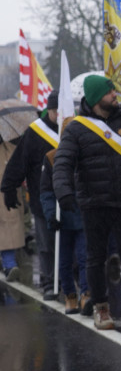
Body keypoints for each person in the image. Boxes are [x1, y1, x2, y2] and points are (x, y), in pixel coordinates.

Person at [52, 75, 121, 332]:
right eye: (109, 92)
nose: (114, 95)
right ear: (96, 98)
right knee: (95, 258)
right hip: (93, 204)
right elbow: (62, 162)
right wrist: (63, 192)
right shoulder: (76, 128)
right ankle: (101, 309)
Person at [2, 90, 60, 298]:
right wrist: (9, 187)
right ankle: (48, 281)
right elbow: (20, 162)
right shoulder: (36, 132)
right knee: (45, 244)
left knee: (70, 243)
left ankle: (70, 281)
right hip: (40, 197)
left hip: (70, 199)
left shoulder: (72, 128)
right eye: (57, 111)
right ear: (50, 110)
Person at [40, 148, 89, 314]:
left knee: (85, 257)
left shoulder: (85, 154)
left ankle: (86, 293)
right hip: (62, 218)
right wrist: (51, 215)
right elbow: (46, 191)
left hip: (83, 215)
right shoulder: (51, 157)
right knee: (64, 260)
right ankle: (70, 295)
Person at [0, 135, 26, 283]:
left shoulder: (10, 147)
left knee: (8, 231)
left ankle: (9, 264)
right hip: (9, 195)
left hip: (8, 196)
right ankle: (9, 264)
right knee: (7, 230)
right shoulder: (10, 147)